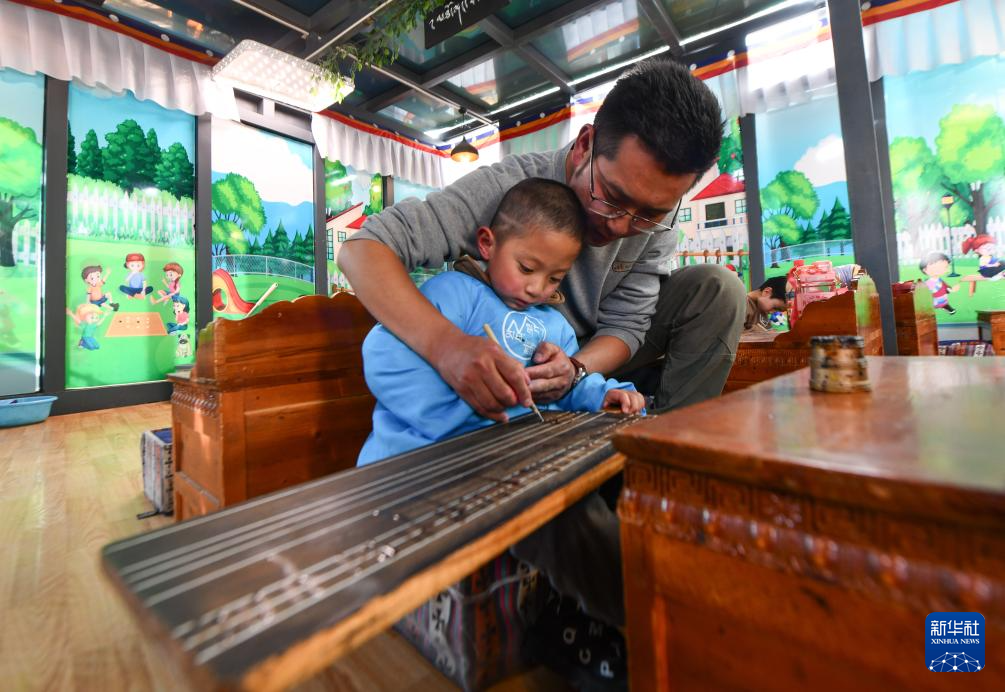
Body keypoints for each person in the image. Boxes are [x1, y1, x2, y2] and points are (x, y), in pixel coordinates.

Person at [339, 57, 744, 661]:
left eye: (651, 213)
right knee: (554, 507)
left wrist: (577, 369)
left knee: (718, 290)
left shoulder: (650, 223)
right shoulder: (511, 190)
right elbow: (363, 250)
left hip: (578, 368)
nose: (624, 227)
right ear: (584, 146)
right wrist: (449, 347)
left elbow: (629, 326)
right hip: (512, 386)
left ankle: (662, 474)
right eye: (613, 199)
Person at [357, 179, 645, 467]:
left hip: (502, 460)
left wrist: (603, 394)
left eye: (555, 278)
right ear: (487, 244)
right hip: (413, 461)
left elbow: (568, 385)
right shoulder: (455, 293)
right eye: (526, 268)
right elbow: (385, 357)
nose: (536, 288)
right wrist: (464, 411)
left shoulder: (556, 327)